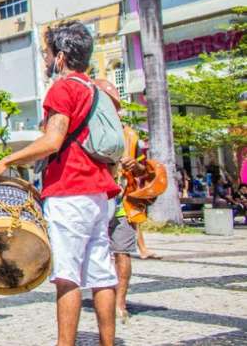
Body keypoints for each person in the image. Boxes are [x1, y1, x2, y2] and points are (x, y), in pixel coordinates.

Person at [0, 20, 121, 346]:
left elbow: (52, 141)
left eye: (46, 53)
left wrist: (5, 161)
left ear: (61, 57)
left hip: (70, 191)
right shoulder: (94, 89)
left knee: (67, 276)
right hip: (99, 193)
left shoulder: (63, 88)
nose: (44, 58)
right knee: (101, 274)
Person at [92, 79, 145, 324]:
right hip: (95, 200)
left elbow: (146, 169)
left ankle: (120, 302)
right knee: (98, 253)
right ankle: (103, 299)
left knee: (122, 252)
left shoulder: (130, 135)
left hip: (123, 203)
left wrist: (136, 166)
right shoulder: (87, 131)